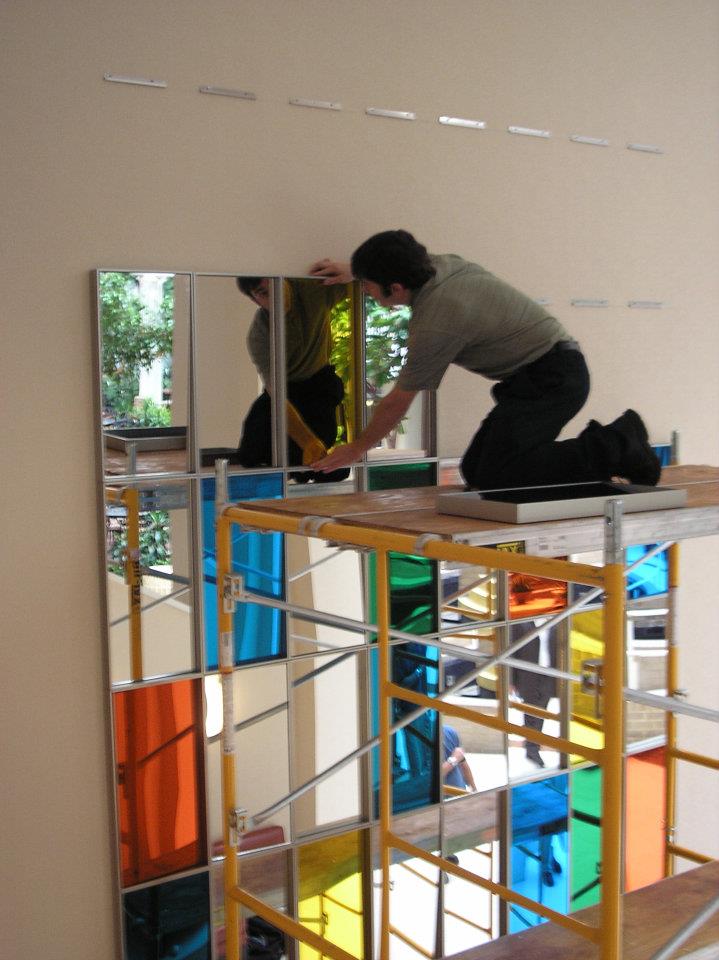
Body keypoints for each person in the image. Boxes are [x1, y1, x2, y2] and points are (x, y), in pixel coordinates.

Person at [308, 231, 661, 490]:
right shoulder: (441, 266)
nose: (365, 291)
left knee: (498, 476)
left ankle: (619, 444)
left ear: (396, 287)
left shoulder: (436, 322)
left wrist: (356, 449)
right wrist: (356, 270)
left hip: (553, 380)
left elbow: (397, 402)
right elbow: (398, 261)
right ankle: (614, 446)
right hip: (539, 376)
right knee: (476, 471)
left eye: (368, 285)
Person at [235, 276, 350, 482]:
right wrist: (306, 441)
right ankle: (301, 469)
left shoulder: (312, 290)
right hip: (285, 390)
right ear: (255, 300)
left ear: (286, 280)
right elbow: (277, 396)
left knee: (318, 448)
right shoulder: (260, 335)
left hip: (319, 384)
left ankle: (315, 468)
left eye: (278, 286)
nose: (276, 295)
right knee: (250, 453)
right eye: (264, 293)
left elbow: (362, 281)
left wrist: (348, 271)